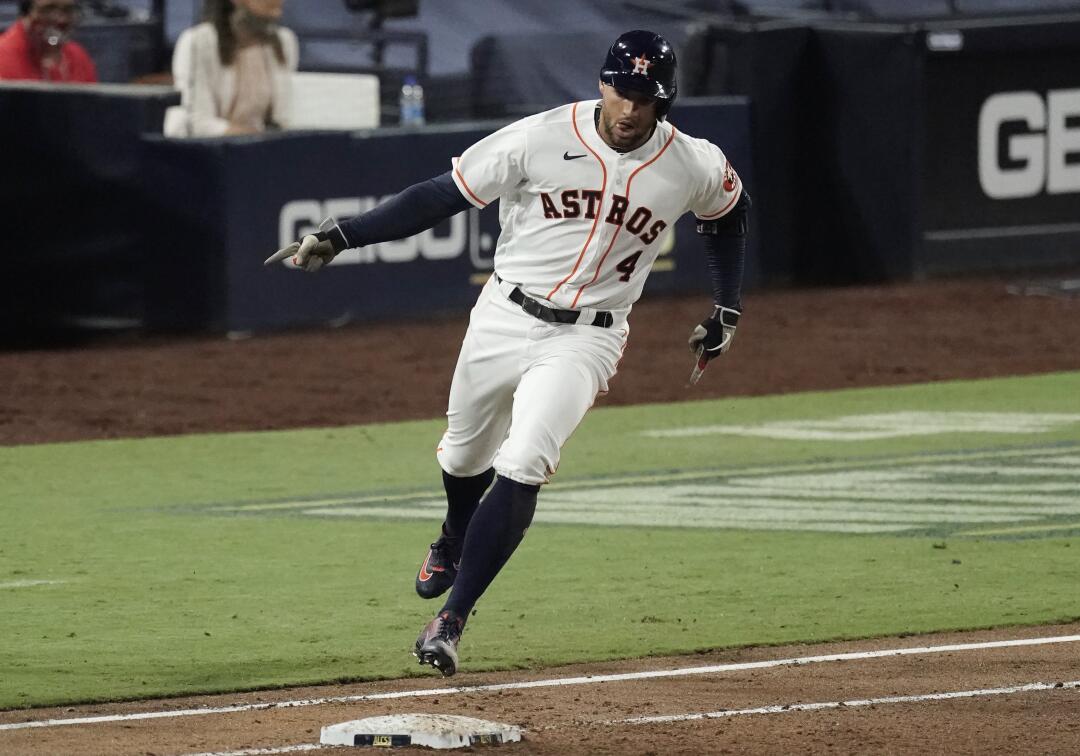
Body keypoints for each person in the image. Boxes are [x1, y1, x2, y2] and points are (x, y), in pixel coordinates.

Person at [266, 30, 749, 677]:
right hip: (502, 314)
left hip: (589, 336)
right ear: (602, 83)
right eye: (623, 90)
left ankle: (451, 621)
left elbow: (729, 212)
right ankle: (454, 532)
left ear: (666, 99)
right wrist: (347, 233)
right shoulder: (540, 136)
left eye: (647, 96)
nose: (631, 108)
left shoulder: (691, 161)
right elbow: (444, 193)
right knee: (464, 453)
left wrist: (726, 308)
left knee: (523, 461)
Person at [164, 0, 297, 137]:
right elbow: (199, 123)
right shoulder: (199, 42)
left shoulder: (284, 41)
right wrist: (253, 140)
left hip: (261, 148)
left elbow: (282, 120)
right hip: (208, 151)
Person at [0, 0, 97, 83]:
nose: (62, 20)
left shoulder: (78, 56)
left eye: (68, 10)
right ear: (25, 14)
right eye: (48, 10)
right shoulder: (3, 57)